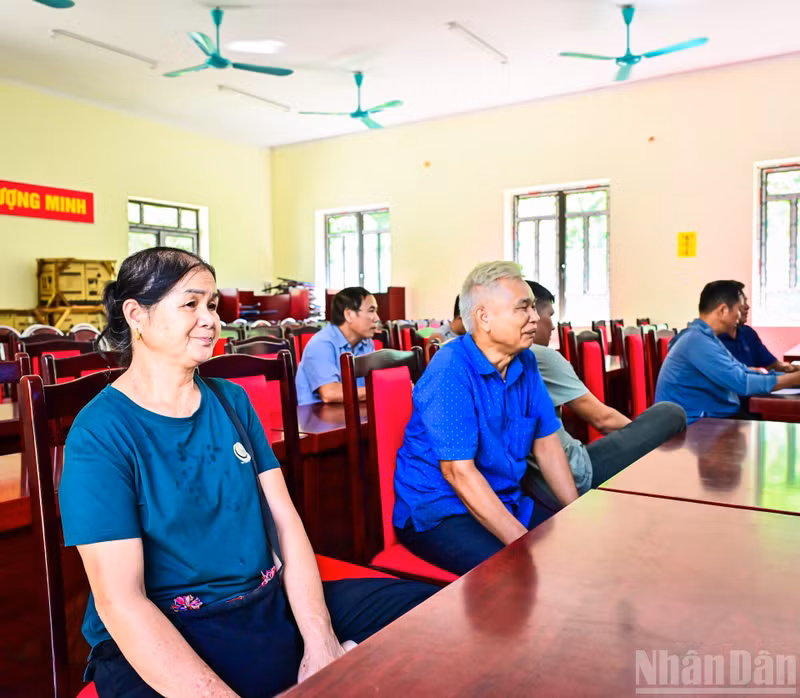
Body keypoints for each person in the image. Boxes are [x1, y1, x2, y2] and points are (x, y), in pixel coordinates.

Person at [58, 248, 435, 698]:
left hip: (261, 602)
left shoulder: (230, 401)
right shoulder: (100, 432)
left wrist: (321, 643)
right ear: (137, 314)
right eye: (190, 304)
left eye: (213, 304)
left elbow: (285, 524)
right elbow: (122, 603)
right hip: (170, 627)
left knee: (430, 615)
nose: (210, 319)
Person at [392, 261, 579, 576]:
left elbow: (547, 444)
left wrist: (576, 515)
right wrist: (523, 545)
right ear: (484, 317)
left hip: (504, 498)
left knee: (573, 545)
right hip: (442, 512)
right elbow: (459, 474)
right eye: (523, 308)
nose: (536, 317)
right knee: (522, 571)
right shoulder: (451, 369)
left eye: (534, 307)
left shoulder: (526, 362)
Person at [522, 281, 686, 524]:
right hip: (576, 472)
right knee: (670, 413)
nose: (553, 327)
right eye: (549, 316)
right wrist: (641, 439)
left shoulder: (491, 358)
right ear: (532, 314)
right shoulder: (539, 356)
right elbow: (603, 419)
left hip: (538, 481)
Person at [655, 280, 800, 424]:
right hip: (694, 426)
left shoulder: (707, 337)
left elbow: (741, 371)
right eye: (738, 308)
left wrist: (791, 378)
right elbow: (742, 383)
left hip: (712, 420)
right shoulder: (696, 341)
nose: (739, 316)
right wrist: (793, 379)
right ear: (723, 310)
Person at [295, 287, 379, 405]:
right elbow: (330, 393)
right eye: (371, 310)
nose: (377, 318)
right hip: (316, 416)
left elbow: (375, 380)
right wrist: (381, 389)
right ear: (349, 314)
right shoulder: (321, 343)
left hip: (350, 408)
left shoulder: (366, 343)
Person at [718, 282, 798, 372]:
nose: (747, 307)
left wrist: (791, 369)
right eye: (741, 303)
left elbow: (773, 364)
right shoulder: (711, 340)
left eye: (746, 301)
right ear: (724, 309)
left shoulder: (747, 332)